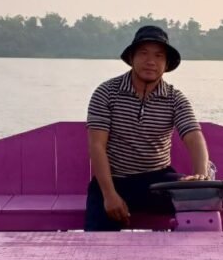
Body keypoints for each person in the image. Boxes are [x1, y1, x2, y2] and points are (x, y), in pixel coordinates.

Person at [85, 25, 210, 231]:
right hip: (114, 179)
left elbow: (194, 137)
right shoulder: (106, 92)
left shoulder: (175, 98)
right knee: (98, 239)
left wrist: (200, 178)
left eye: (159, 56)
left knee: (200, 205)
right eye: (143, 53)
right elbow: (97, 145)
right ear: (131, 57)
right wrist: (109, 195)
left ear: (166, 64)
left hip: (158, 180)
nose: (151, 61)